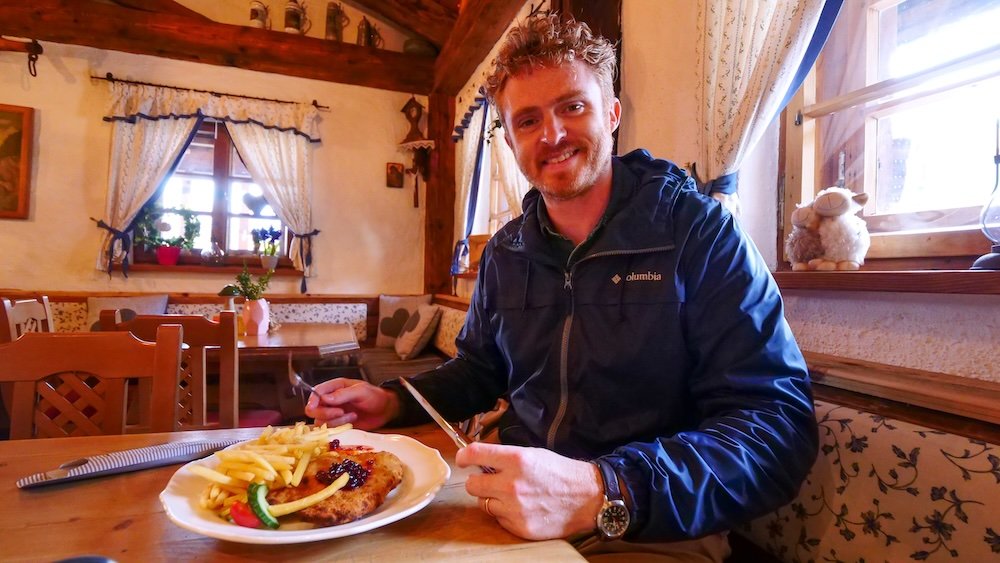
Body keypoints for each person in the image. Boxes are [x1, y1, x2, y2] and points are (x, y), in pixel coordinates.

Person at [307, 14, 818, 561]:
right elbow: (481, 371)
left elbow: (777, 428)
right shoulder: (506, 251)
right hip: (506, 497)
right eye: (527, 120)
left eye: (572, 107)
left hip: (651, 523)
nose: (551, 135)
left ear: (612, 114)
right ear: (510, 139)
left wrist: (607, 488)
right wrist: (393, 402)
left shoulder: (699, 232)